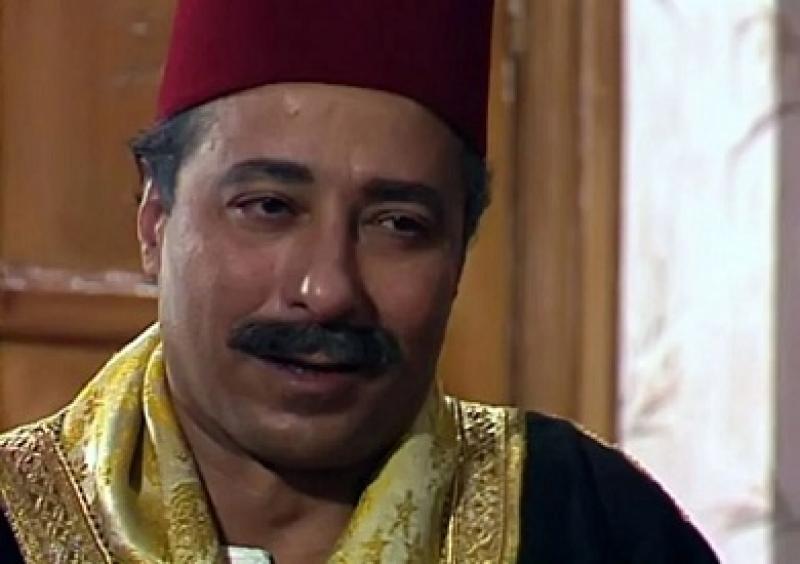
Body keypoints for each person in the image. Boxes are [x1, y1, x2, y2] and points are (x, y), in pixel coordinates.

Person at [0, 1, 719, 562]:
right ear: (155, 221)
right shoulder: (15, 519)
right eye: (270, 208)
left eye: (398, 224)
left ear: (459, 253)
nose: (328, 290)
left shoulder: (586, 522)